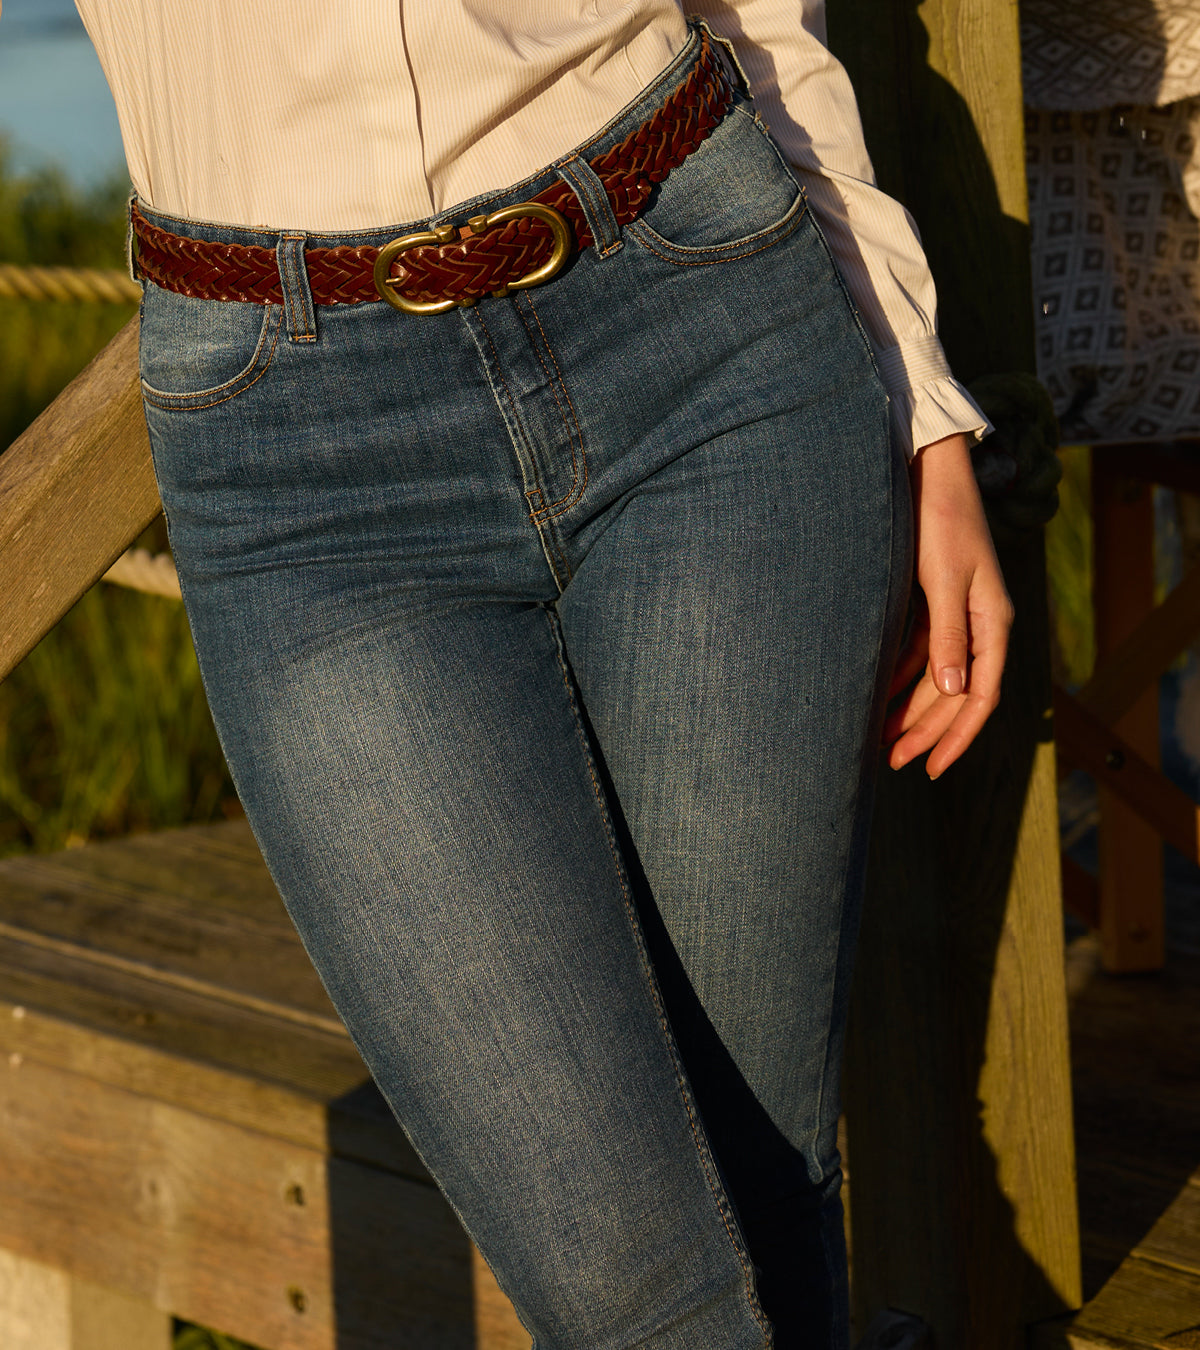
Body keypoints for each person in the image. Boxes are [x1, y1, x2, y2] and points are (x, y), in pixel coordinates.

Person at [63, 2, 1012, 1345]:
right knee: (646, 1301)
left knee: (766, 1193)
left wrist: (915, 397)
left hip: (701, 312)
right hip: (302, 464)